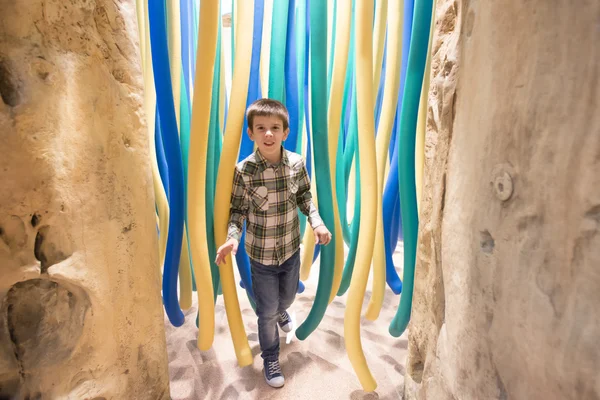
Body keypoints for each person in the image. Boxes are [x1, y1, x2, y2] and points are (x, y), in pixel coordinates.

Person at [215, 98, 332, 388]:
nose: (269, 133)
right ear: (251, 133)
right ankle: (270, 356)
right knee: (266, 312)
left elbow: (305, 197)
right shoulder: (244, 171)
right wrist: (231, 239)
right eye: (261, 128)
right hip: (261, 256)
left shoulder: (296, 163)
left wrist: (317, 222)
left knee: (288, 300)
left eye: (275, 128)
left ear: (285, 132)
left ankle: (282, 310)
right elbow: (238, 211)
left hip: (290, 250)